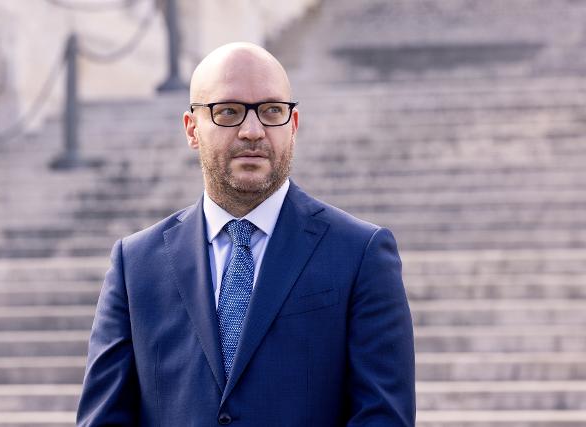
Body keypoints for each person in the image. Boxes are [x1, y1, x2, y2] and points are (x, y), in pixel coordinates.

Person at [77, 42, 415, 426]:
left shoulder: (361, 254)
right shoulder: (134, 264)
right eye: (228, 112)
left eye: (272, 111)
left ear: (294, 125)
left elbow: (384, 417)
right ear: (192, 129)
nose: (252, 131)